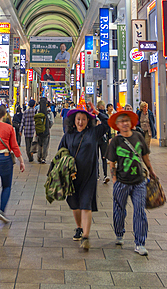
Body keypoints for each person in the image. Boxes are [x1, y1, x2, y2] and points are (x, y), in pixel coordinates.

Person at [58, 102, 109, 250]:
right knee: (74, 204)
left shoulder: (94, 133)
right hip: (72, 177)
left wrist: (97, 112)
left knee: (86, 204)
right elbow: (60, 152)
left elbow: (108, 123)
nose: (80, 122)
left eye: (84, 119)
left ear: (88, 121)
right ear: (74, 120)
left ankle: (86, 236)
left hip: (89, 176)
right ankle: (79, 227)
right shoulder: (68, 136)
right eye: (78, 119)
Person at [108, 108, 157, 256]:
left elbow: (145, 156)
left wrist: (151, 171)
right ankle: (119, 233)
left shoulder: (138, 136)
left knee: (140, 211)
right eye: (121, 121)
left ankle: (140, 243)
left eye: (126, 121)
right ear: (117, 124)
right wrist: (114, 179)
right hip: (122, 181)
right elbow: (112, 162)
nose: (124, 124)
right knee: (119, 210)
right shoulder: (115, 141)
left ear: (131, 123)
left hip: (139, 181)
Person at [35, 97, 54, 164]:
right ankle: (44, 158)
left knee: (39, 144)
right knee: (45, 145)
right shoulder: (49, 112)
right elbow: (52, 122)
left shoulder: (37, 112)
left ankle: (39, 157)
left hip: (39, 131)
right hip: (46, 131)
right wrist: (48, 127)